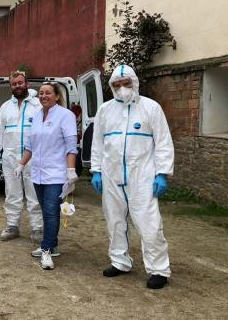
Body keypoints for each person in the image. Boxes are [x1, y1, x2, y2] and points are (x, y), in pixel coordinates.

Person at [90, 64, 174, 289]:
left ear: (134, 83)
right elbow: (97, 143)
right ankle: (119, 261)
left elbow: (163, 143)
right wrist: (96, 171)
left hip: (143, 177)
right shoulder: (105, 110)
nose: (122, 88)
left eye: (126, 83)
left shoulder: (151, 108)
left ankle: (158, 269)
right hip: (111, 175)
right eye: (117, 84)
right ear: (111, 86)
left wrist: (161, 174)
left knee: (149, 223)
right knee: (115, 221)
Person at [16, 83, 78, 270]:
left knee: (51, 212)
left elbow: (71, 145)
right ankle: (53, 245)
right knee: (47, 211)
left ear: (57, 96)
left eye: (48, 93)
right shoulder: (36, 117)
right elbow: (30, 146)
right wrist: (21, 164)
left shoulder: (65, 116)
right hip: (38, 174)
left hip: (57, 174)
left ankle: (46, 249)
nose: (44, 96)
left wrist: (70, 170)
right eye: (41, 93)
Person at [0, 71, 43, 242]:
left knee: (34, 194)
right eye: (14, 84)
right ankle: (12, 226)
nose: (17, 86)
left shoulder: (38, 105)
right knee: (12, 194)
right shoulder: (5, 107)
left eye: (20, 83)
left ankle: (37, 228)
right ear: (10, 86)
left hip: (33, 158)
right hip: (10, 158)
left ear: (27, 84)